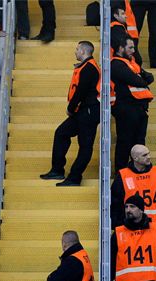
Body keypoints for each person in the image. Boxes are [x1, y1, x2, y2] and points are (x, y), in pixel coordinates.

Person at [40, 41, 100, 187]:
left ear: (83, 51)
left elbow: (81, 91)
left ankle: (74, 177)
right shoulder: (86, 67)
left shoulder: (89, 68)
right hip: (82, 111)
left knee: (85, 146)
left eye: (77, 49)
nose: (75, 52)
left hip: (88, 111)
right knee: (61, 133)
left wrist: (71, 108)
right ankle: (57, 170)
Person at [111, 37, 154, 172]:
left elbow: (149, 77)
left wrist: (142, 78)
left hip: (139, 108)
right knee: (125, 141)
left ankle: (138, 171)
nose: (133, 51)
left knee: (139, 141)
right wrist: (142, 78)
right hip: (126, 108)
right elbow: (139, 81)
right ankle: (121, 172)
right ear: (120, 48)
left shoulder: (130, 63)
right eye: (130, 48)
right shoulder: (116, 64)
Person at [111, 145, 156, 227]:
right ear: (135, 158)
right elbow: (115, 202)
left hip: (155, 225)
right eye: (144, 155)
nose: (149, 157)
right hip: (131, 226)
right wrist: (119, 224)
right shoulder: (123, 175)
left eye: (149, 154)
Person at [131, 0, 156, 69]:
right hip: (138, 2)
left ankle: (155, 61)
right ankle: (132, 59)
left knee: (155, 31)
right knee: (134, 31)